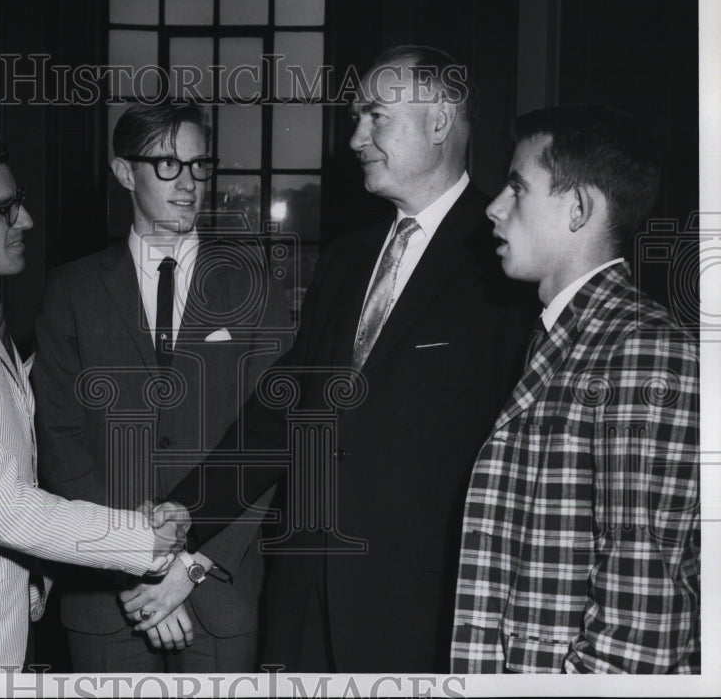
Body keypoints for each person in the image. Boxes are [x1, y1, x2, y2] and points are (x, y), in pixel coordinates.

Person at [159, 46, 535, 673]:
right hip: (302, 601)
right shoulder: (347, 257)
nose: (356, 137)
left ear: (439, 121)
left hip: (421, 611)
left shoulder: (509, 262)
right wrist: (186, 515)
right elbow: (282, 411)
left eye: (375, 116)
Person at [0, 130, 189, 672]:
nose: (25, 220)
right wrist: (143, 537)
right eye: (4, 211)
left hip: (5, 620)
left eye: (19, 202)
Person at [31, 101, 291, 672]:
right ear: (125, 172)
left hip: (218, 589)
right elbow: (60, 441)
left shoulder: (256, 286)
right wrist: (137, 560)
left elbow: (271, 438)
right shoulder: (71, 290)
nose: (189, 183)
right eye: (168, 165)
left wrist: (189, 565)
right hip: (107, 594)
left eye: (200, 166)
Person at [450, 104, 700, 673]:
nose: (494, 206)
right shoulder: (566, 339)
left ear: (579, 208)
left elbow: (637, 636)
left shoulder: (641, 352)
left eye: (517, 187)